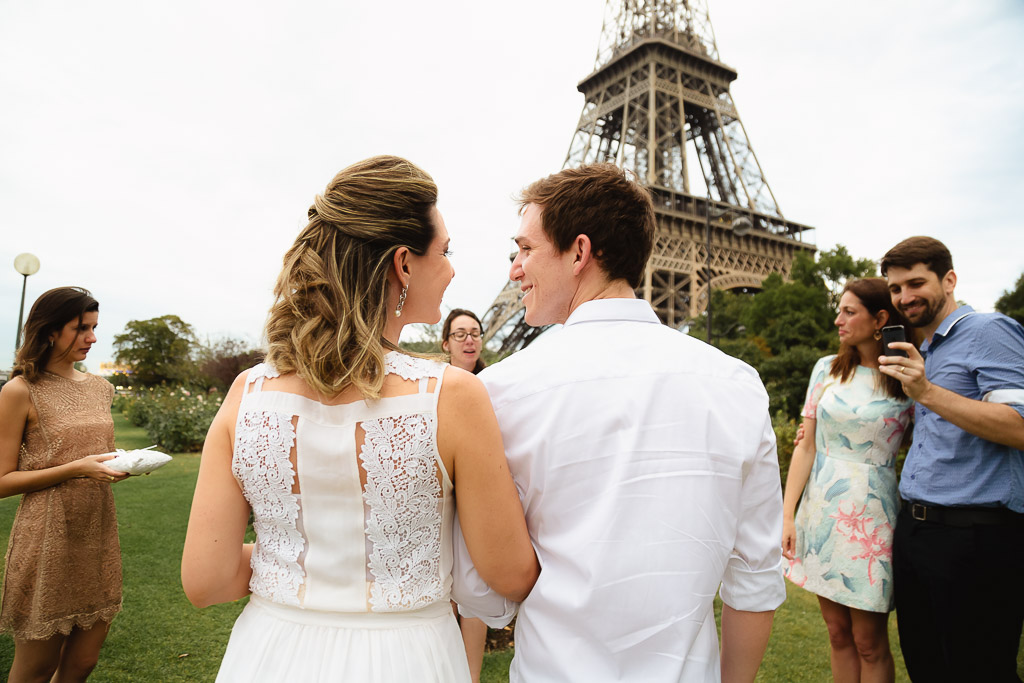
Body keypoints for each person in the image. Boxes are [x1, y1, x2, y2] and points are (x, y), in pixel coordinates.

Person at [181, 155, 539, 682]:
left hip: (269, 655)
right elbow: (509, 572)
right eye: (446, 251)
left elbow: (205, 581)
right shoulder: (451, 396)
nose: (453, 267)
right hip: (407, 658)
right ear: (403, 264)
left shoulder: (245, 394)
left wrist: (306, 547)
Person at [455, 163, 785, 682]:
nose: (515, 269)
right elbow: (756, 580)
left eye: (525, 250)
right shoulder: (738, 384)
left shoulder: (501, 392)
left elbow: (480, 590)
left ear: (580, 252)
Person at [877, 236, 1024, 682]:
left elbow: (1019, 425)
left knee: (979, 669)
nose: (905, 297)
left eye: (916, 283)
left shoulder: (988, 330)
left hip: (976, 537)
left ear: (949, 279)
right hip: (918, 531)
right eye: (896, 288)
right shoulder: (928, 348)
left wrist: (926, 392)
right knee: (927, 666)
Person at [781, 278, 913, 682]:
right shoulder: (827, 368)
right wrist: (787, 516)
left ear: (881, 320)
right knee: (838, 634)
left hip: (871, 516)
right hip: (821, 509)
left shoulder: (909, 377)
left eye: (849, 312)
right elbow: (805, 446)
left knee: (869, 641)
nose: (838, 319)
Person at [0, 286, 128, 682]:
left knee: (83, 663)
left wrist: (117, 463)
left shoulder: (101, 388)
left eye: (93, 327)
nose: (92, 338)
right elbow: (2, 480)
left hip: (97, 532)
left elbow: (93, 453)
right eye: (81, 328)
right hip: (47, 537)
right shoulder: (20, 390)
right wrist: (75, 468)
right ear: (50, 331)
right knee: (36, 668)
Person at [440, 308, 488, 682]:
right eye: (460, 334)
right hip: (442, 500)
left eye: (474, 332)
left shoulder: (494, 384)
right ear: (446, 343)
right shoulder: (434, 389)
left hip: (480, 501)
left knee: (472, 589)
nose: (469, 339)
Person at [442, 308, 486, 375]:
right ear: (446, 345)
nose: (470, 341)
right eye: (460, 335)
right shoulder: (435, 381)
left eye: (475, 334)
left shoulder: (492, 380)